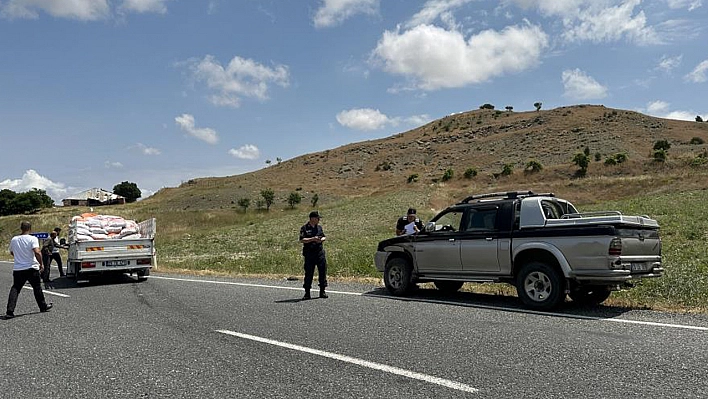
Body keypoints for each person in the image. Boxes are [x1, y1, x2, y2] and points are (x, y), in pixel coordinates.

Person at [6, 221, 53, 319]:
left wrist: (19, 258)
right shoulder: (32, 239)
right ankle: (43, 306)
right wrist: (41, 264)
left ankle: (10, 311)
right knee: (37, 288)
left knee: (16, 288)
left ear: (21, 228)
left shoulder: (14, 239)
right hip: (31, 267)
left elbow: (11, 251)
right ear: (30, 229)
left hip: (18, 268)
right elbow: (37, 252)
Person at [299, 211, 328, 300]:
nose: (319, 220)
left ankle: (322, 291)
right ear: (312, 218)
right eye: (317, 218)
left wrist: (322, 239)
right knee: (309, 273)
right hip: (309, 254)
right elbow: (302, 239)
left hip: (319, 253)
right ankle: (307, 292)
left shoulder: (319, 228)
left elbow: (323, 236)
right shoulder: (304, 228)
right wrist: (312, 239)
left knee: (322, 272)